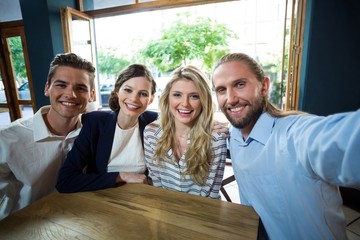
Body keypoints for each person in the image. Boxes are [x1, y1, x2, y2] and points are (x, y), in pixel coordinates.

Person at [211, 52, 360, 239]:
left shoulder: (296, 134)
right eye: (221, 90)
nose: (230, 98)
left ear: (264, 86)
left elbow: (345, 139)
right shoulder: (233, 136)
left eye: (240, 84)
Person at [0, 53, 95, 220]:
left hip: (78, 220)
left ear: (91, 95)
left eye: (80, 88)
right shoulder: (6, 139)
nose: (70, 94)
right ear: (46, 88)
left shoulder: (94, 133)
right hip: (21, 226)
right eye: (61, 85)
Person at [56, 64, 158, 193]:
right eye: (128, 90)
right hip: (102, 199)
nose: (134, 99)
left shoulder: (154, 123)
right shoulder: (95, 123)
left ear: (151, 99)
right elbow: (65, 181)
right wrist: (122, 176)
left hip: (142, 197)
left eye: (143, 94)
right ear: (117, 91)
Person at [144, 65, 227, 199]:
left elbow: (210, 195)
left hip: (203, 213)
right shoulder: (151, 133)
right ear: (167, 98)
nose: (185, 104)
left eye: (194, 96)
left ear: (204, 101)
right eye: (177, 95)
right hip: (163, 208)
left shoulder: (216, 140)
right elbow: (156, 184)